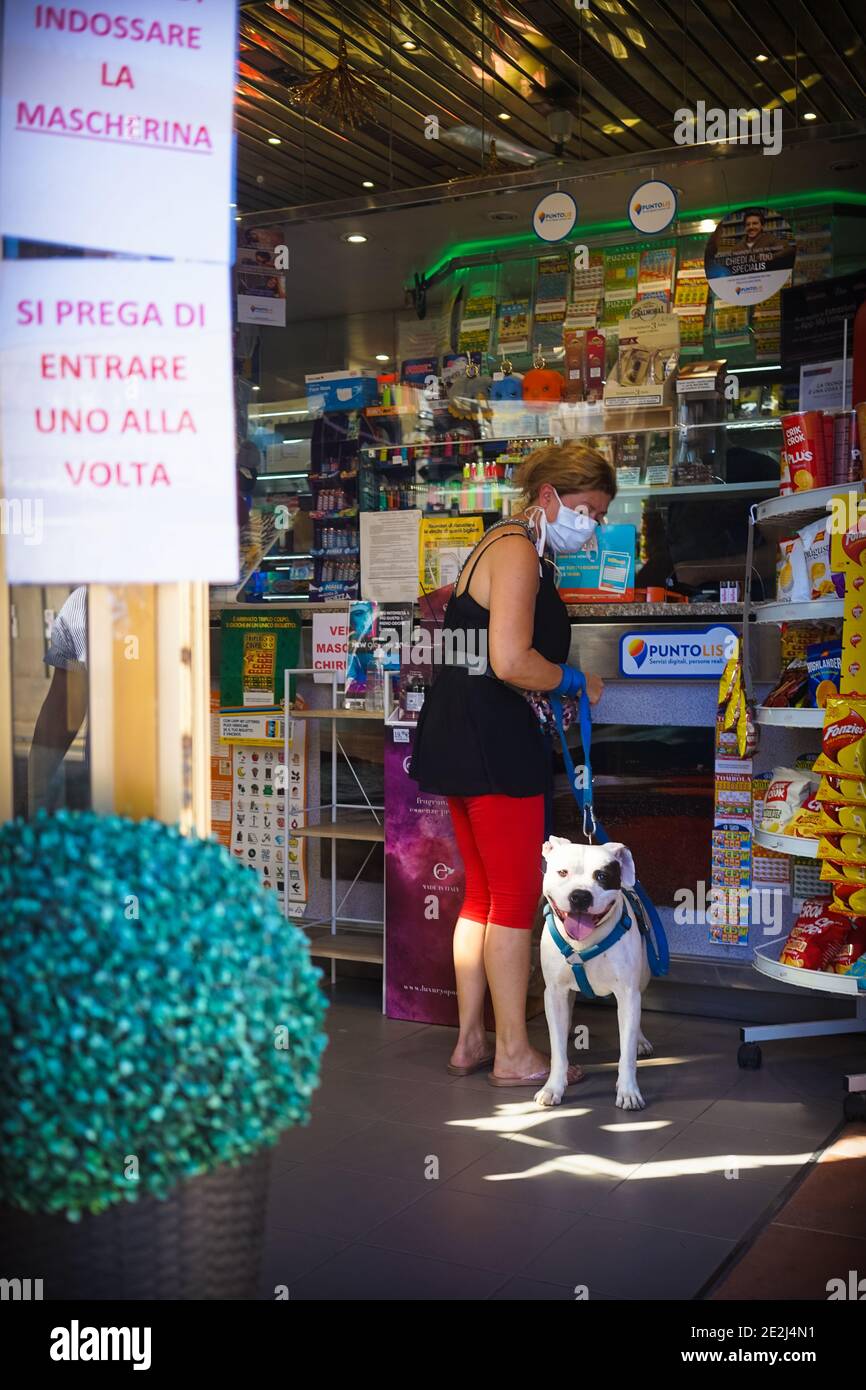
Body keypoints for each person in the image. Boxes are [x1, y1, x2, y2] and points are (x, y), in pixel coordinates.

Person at [410, 442, 614, 1086]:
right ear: (550, 496)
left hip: (455, 735)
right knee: (514, 901)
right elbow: (509, 660)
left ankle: (471, 1041)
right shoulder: (521, 551)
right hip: (495, 744)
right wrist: (573, 681)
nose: (593, 526)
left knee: (481, 895)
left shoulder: (495, 542)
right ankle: (513, 1054)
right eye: (587, 509)